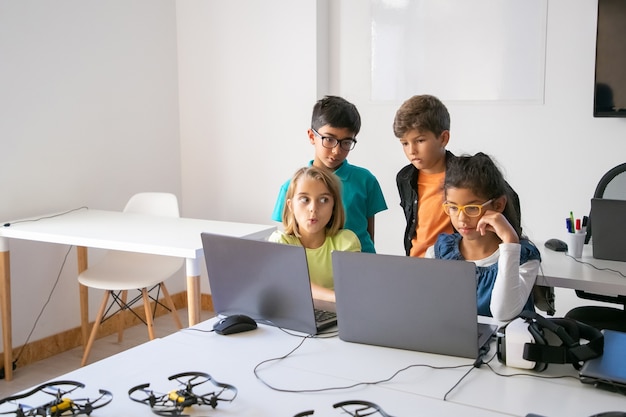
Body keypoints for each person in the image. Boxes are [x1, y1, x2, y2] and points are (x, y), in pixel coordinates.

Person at [393, 94, 521, 257]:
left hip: (452, 263)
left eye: (420, 141)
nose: (411, 150)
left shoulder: (466, 175)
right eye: (405, 143)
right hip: (415, 262)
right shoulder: (404, 177)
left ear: (443, 138)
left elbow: (509, 202)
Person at [425, 153, 540, 321]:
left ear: (498, 205)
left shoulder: (523, 256)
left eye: (472, 208)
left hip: (505, 345)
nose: (461, 219)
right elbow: (430, 310)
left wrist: (510, 242)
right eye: (453, 208)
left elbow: (503, 313)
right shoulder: (439, 253)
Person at [272, 95, 387, 253]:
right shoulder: (291, 187)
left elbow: (368, 234)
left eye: (346, 142)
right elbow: (290, 237)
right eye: (329, 139)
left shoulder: (365, 180)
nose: (336, 150)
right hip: (315, 269)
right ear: (312, 136)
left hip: (360, 264)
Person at [269, 166, 361, 303]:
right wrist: (336, 298)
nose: (313, 208)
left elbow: (354, 289)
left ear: (333, 206)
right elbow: (294, 284)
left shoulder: (346, 241)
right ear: (290, 205)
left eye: (324, 200)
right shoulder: (280, 242)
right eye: (305, 199)